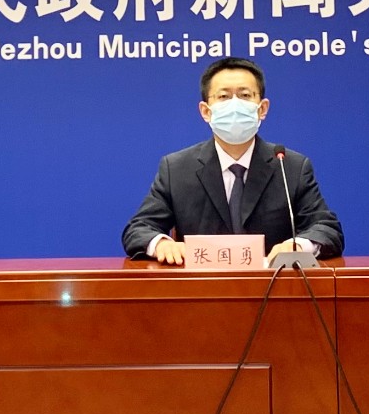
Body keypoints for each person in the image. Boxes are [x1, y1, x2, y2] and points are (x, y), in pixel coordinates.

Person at [123, 56, 344, 264]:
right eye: (224, 96)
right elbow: (139, 228)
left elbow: (327, 229)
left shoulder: (290, 167)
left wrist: (300, 245)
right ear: (206, 111)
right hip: (202, 287)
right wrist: (161, 244)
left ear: (262, 109)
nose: (235, 105)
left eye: (245, 95)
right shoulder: (177, 168)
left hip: (274, 285)